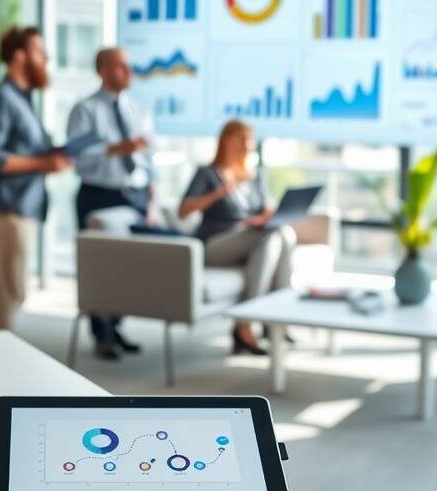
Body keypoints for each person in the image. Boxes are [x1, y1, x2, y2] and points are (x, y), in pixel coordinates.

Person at [0, 26, 72, 330]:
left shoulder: (23, 100)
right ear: (19, 56)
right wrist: (43, 163)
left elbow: (24, 149)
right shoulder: (2, 99)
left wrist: (56, 155)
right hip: (7, 208)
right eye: (40, 52)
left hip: (21, 206)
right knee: (13, 291)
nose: (46, 58)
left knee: (4, 291)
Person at [178, 120, 297, 355]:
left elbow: (266, 208)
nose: (247, 145)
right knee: (273, 236)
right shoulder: (208, 174)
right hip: (215, 243)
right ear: (226, 141)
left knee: (280, 235)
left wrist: (268, 215)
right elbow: (183, 211)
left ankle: (263, 319)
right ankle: (252, 324)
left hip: (250, 238)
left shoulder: (254, 176)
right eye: (242, 139)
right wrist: (218, 193)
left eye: (249, 140)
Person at [66, 47, 155, 360]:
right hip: (98, 193)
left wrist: (151, 199)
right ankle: (101, 333)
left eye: (128, 66)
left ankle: (116, 326)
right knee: (99, 266)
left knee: (128, 268)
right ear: (102, 70)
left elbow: (149, 158)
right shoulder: (85, 110)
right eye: (119, 67)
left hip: (135, 195)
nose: (128, 72)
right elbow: (75, 156)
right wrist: (115, 149)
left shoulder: (139, 110)